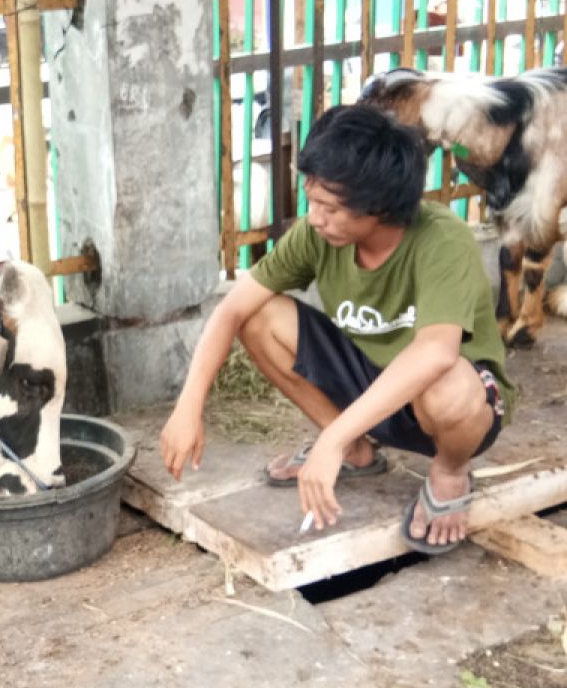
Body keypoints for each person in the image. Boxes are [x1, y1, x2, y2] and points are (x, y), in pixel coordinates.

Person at [159, 104, 513, 554]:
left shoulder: (442, 239)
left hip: (457, 409)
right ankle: (357, 453)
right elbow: (231, 310)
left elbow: (436, 354)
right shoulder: (316, 235)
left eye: (329, 207)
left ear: (379, 208)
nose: (315, 217)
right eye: (312, 201)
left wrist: (330, 439)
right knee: (258, 315)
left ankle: (449, 471)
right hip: (371, 389)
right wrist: (189, 405)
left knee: (446, 381)